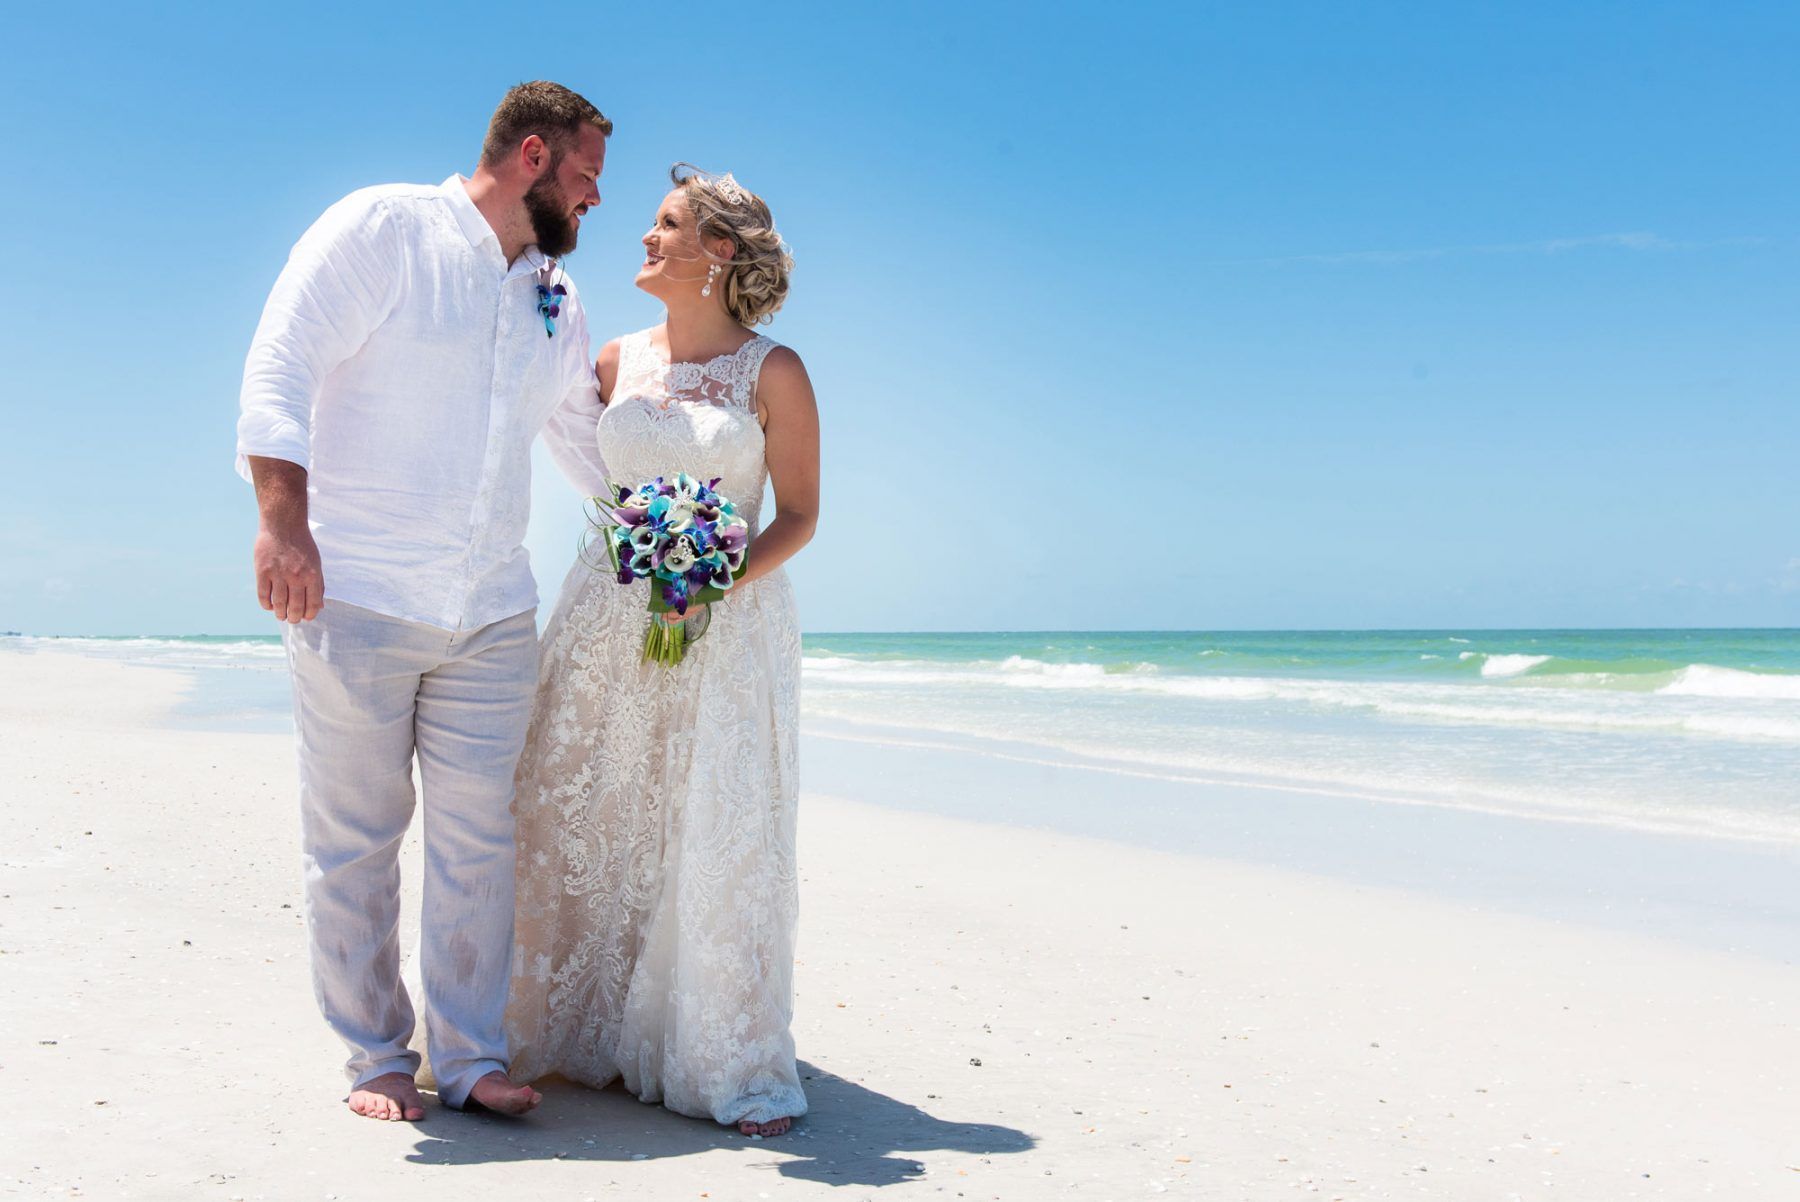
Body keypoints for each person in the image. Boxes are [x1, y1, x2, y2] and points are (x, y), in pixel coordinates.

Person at [235, 81, 613, 1122]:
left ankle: (472, 1051)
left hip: (492, 608)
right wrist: (282, 520)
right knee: (355, 837)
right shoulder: (382, 229)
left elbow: (583, 438)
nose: (594, 203)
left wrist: (673, 526)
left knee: (479, 837)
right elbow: (280, 367)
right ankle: (374, 1052)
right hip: (354, 591)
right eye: (585, 178)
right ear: (532, 157)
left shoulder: (557, 297)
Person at [504, 164, 820, 1138]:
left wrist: (707, 582)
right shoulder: (608, 362)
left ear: (717, 251)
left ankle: (713, 1047)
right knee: (583, 802)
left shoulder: (774, 371)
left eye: (668, 223)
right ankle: (569, 1028)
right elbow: (574, 462)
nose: (644, 235)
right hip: (604, 610)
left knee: (705, 816)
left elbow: (801, 515)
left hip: (730, 621)